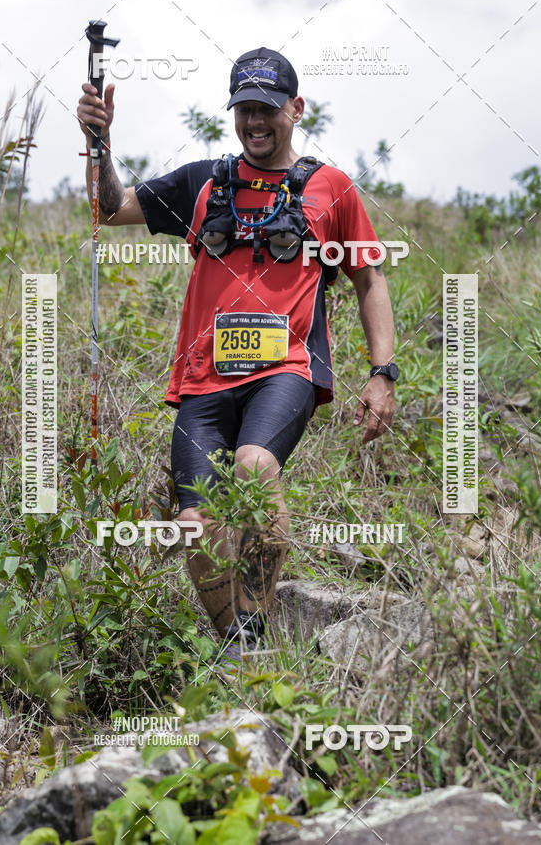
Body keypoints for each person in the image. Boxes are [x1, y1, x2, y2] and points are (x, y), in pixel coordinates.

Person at [77, 46, 397, 661]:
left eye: (268, 109)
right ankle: (241, 644)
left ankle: (259, 615)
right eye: (244, 108)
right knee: (196, 525)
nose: (255, 121)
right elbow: (109, 209)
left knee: (253, 467)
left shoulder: (331, 189)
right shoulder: (203, 181)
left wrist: (382, 372)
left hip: (288, 369)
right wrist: (101, 141)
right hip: (203, 381)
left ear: (295, 109)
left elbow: (369, 280)